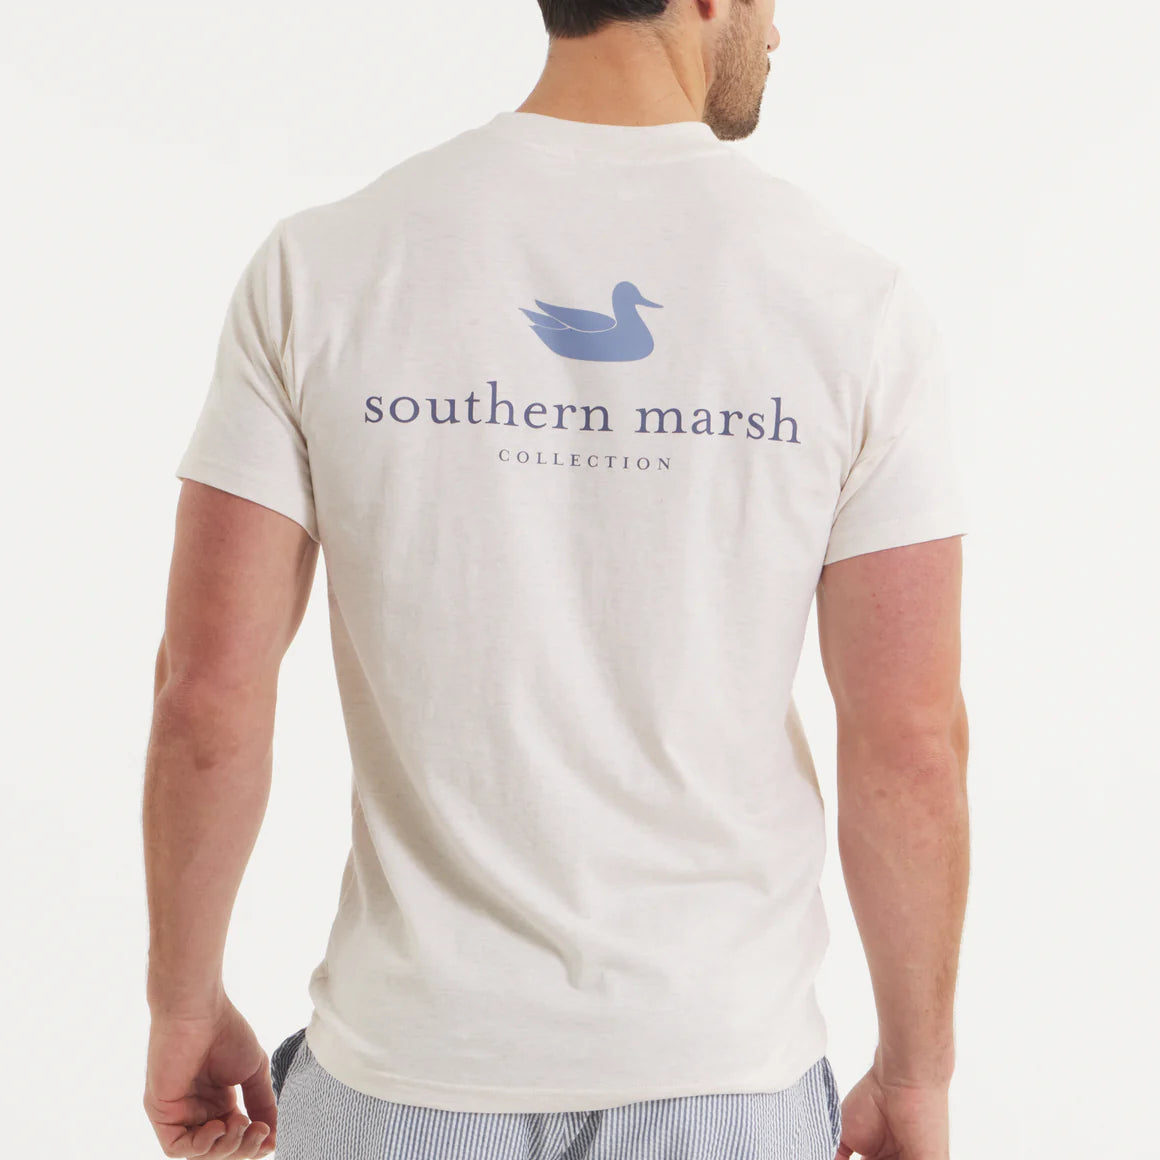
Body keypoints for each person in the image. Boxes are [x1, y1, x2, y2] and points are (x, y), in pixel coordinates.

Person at [141, 0, 970, 1157]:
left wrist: (181, 1001)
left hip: (406, 1068)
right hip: (719, 1066)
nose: (778, 33)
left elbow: (205, 697)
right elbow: (908, 741)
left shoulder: (322, 266)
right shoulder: (850, 303)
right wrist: (916, 1073)